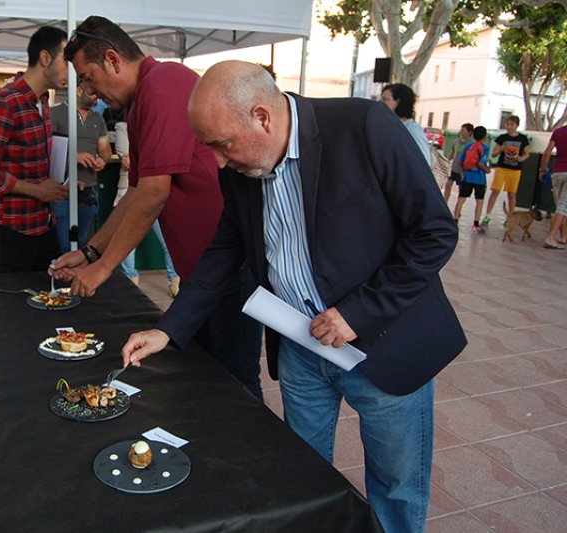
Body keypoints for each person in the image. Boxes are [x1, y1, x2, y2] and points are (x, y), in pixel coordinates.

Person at [120, 61, 466, 533]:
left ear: (262, 117)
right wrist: (168, 328)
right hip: (302, 348)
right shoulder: (241, 165)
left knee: (396, 487)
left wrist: (356, 313)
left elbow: (434, 234)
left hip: (384, 346)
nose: (219, 162)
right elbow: (224, 251)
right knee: (301, 473)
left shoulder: (363, 126)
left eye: (222, 145)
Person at [50, 16, 263, 399]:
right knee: (203, 372)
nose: (89, 91)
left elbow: (154, 193)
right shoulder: (139, 105)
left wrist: (103, 268)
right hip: (200, 274)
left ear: (113, 60)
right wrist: (89, 252)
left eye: (87, 76)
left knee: (236, 381)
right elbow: (133, 194)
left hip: (230, 267)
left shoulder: (163, 84)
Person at [0, 26, 69, 272]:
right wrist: (36, 191)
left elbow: (28, 161)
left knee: (50, 298)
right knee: (9, 304)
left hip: (43, 224)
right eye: (67, 62)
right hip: (12, 229)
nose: (73, 71)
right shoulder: (6, 102)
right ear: (45, 58)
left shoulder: (42, 102)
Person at [114, 121, 180, 295]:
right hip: (130, 190)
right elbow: (127, 162)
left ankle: (175, 280)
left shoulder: (162, 127)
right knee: (127, 241)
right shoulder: (123, 127)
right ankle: (131, 279)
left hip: (157, 192)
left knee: (168, 241)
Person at [50, 80, 111, 253]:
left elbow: (105, 150)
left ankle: (74, 276)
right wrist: (73, 157)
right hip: (62, 189)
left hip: (89, 188)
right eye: (93, 93)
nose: (96, 98)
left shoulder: (97, 118)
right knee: (62, 242)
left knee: (81, 240)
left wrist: (102, 160)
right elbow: (48, 150)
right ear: (78, 90)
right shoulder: (56, 114)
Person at [482, 115, 530, 225]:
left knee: (512, 194)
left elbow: (527, 153)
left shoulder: (523, 139)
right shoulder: (502, 138)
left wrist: (521, 158)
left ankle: (511, 217)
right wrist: (500, 150)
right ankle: (487, 216)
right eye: (507, 124)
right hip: (502, 167)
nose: (509, 127)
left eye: (511, 125)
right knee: (495, 191)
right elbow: (493, 154)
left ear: (517, 125)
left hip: (515, 169)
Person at [380, 83, 432, 166]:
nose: (380, 103)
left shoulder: (411, 130)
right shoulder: (396, 127)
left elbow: (424, 164)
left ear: (399, 102)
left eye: (385, 99)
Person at [453, 126, 491, 234]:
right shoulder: (485, 148)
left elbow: (460, 161)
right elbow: (481, 163)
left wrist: (465, 170)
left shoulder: (469, 146)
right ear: (485, 137)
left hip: (468, 177)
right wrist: (487, 170)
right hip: (480, 179)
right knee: (479, 201)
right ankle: (476, 224)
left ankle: (455, 220)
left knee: (461, 199)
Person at [539, 124, 567, 249]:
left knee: (560, 207)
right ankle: (550, 237)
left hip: (557, 173)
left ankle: (563, 236)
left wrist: (542, 170)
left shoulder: (558, 132)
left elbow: (547, 152)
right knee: (562, 207)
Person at [443, 123, 474, 204]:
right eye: (461, 130)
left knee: (461, 189)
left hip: (463, 170)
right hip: (454, 168)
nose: (461, 132)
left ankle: (458, 206)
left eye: (463, 130)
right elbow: (452, 151)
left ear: (470, 132)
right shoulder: (456, 141)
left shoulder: (471, 144)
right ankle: (445, 203)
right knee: (448, 185)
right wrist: (447, 160)